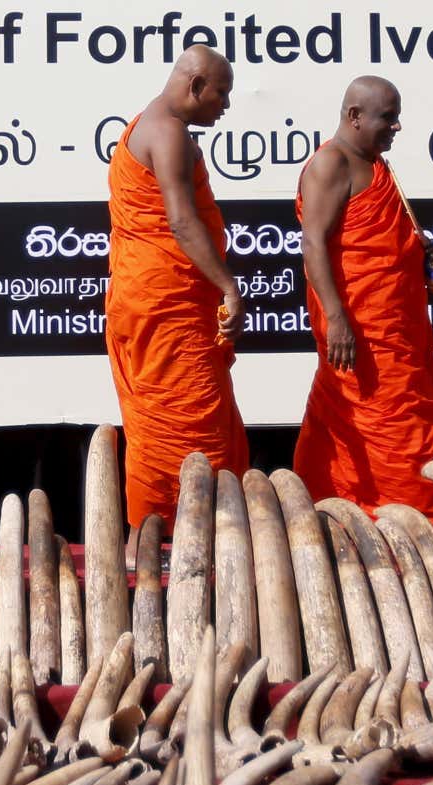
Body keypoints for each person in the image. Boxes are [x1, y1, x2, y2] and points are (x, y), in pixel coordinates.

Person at [292, 76, 433, 533]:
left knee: (398, 419)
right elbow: (313, 245)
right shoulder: (331, 163)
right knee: (395, 431)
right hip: (359, 332)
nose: (397, 127)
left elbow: (378, 240)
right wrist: (338, 318)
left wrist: (418, 252)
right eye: (388, 117)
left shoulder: (378, 166)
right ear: (354, 116)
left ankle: (359, 519)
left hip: (396, 330)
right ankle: (425, 528)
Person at [106, 45, 249, 541]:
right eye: (221, 93)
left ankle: (157, 538)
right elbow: (182, 222)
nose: (225, 106)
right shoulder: (167, 133)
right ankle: (164, 540)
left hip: (153, 298)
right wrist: (228, 284)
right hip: (166, 306)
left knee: (162, 423)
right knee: (188, 426)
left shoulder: (145, 122)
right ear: (195, 87)